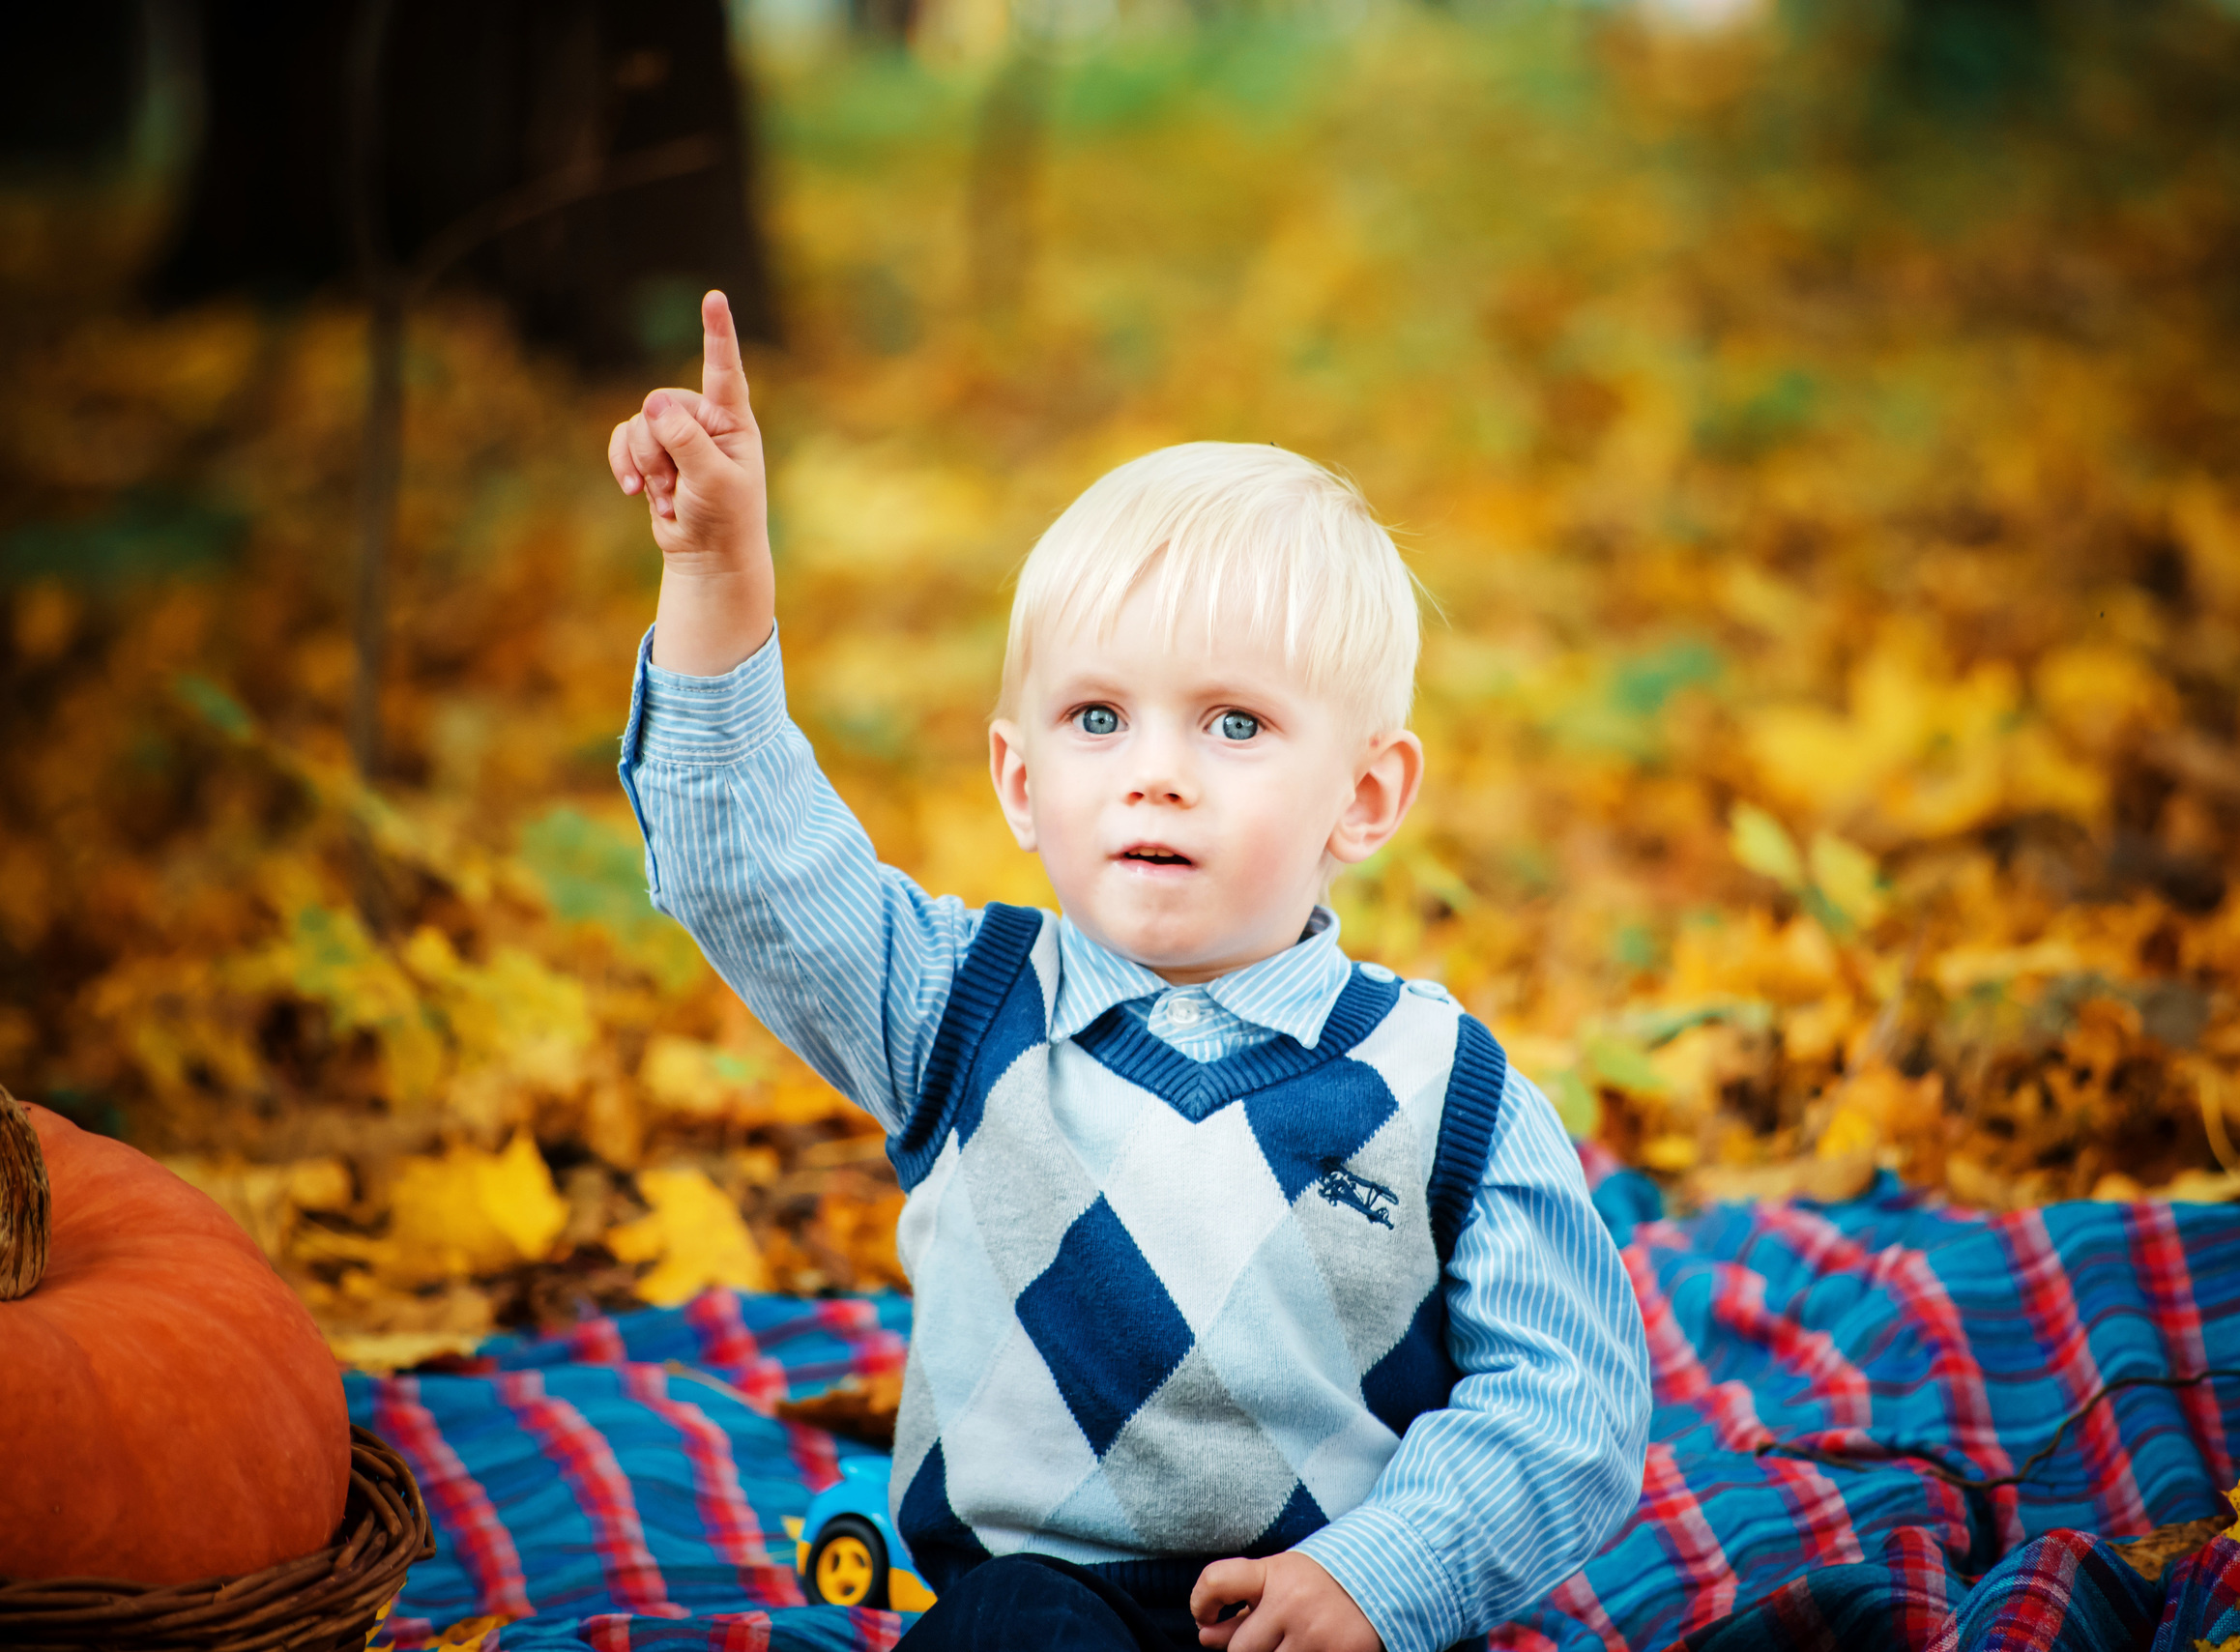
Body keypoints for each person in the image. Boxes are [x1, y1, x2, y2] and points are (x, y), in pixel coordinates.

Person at [607, 291, 1652, 1652]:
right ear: (1020, 778)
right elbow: (745, 864)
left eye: (1235, 723)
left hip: (1321, 1614)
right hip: (1038, 1610)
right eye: (1098, 715)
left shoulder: (1443, 1087)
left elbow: (1570, 1399)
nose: (1156, 770)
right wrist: (716, 574)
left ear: (1365, 796)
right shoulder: (954, 1006)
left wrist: (1384, 1575)